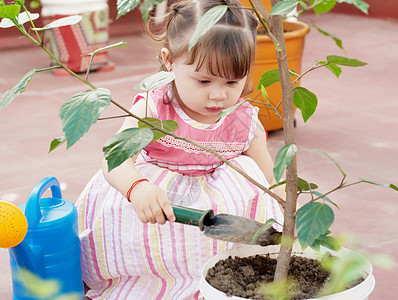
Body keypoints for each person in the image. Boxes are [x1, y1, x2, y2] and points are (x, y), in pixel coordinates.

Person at [76, 0, 284, 299]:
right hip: (159, 201)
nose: (218, 94)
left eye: (232, 81)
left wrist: (288, 209)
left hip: (214, 209)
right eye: (203, 80)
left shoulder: (243, 118)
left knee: (246, 185)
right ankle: (151, 283)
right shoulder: (154, 106)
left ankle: (213, 281)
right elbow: (114, 159)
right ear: (169, 61)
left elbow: (268, 176)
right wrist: (137, 188)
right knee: (140, 235)